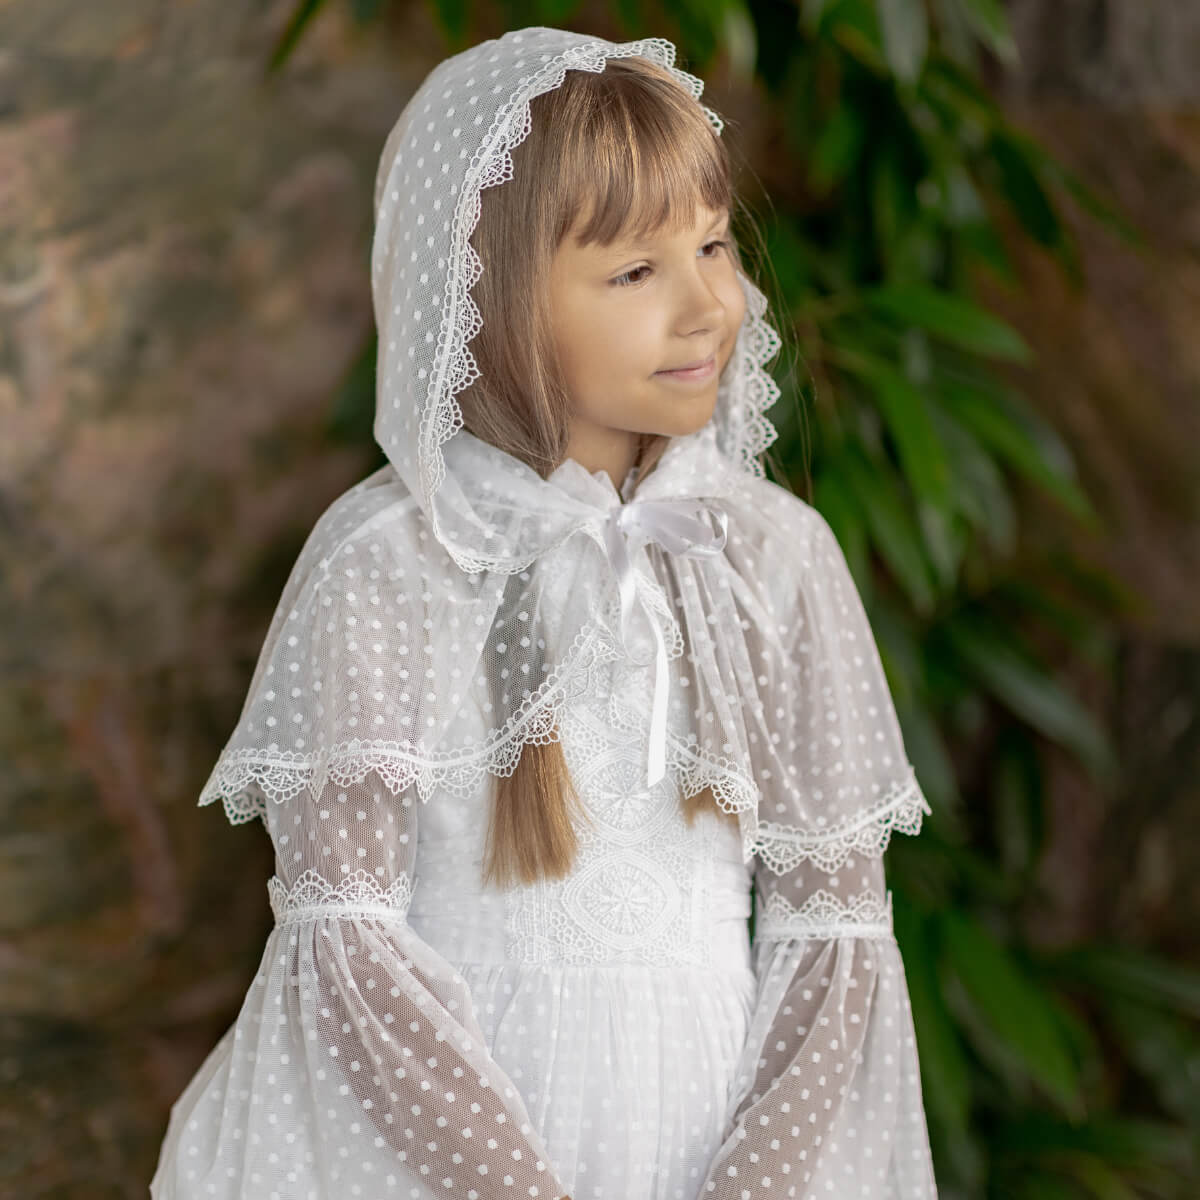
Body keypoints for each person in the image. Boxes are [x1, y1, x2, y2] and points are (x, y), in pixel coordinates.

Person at [149, 26, 938, 1200]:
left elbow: (835, 935)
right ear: (494, 299)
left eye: (715, 244)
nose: (709, 304)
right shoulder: (386, 566)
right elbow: (349, 944)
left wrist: (750, 1189)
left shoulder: (774, 558)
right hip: (441, 1151)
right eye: (635, 272)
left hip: (715, 1137)